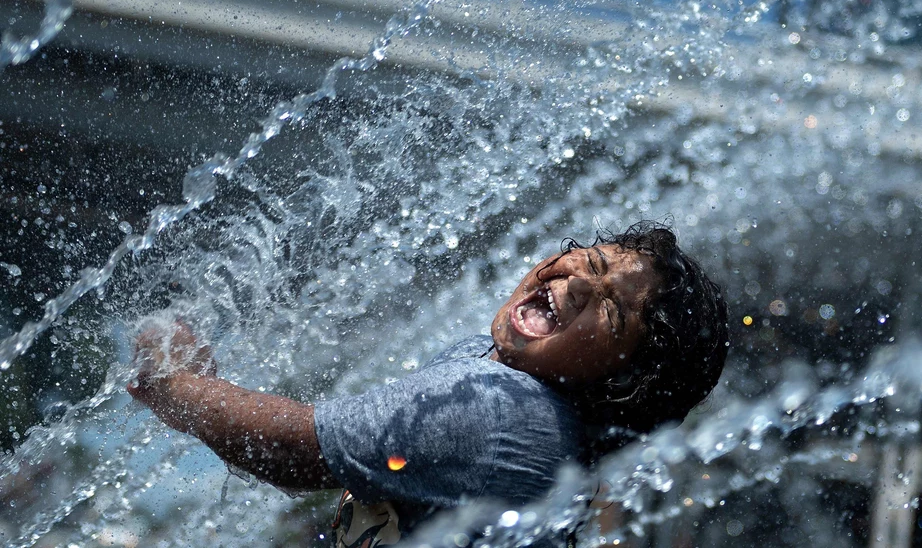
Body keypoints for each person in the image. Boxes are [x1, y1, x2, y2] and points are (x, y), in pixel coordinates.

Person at [127, 220, 729, 543]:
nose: (577, 284)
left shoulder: (503, 409)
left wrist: (177, 383)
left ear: (622, 383)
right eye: (589, 262)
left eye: (610, 310)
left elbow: (295, 450)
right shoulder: (497, 366)